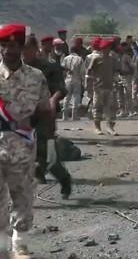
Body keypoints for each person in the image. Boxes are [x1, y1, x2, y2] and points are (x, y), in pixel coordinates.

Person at [0, 25, 51, 258]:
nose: (8, 51)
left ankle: (19, 243)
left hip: (23, 146)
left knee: (22, 194)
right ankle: (1, 243)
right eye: (4, 46)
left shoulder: (35, 77)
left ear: (21, 47)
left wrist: (46, 146)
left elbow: (44, 111)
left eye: (13, 46)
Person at [23, 35, 72, 200]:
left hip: (44, 114)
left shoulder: (49, 66)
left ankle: (63, 178)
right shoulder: (14, 68)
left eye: (26, 49)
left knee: (46, 152)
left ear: (34, 49)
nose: (23, 53)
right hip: (21, 115)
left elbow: (61, 89)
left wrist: (52, 99)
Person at [87, 39, 118, 135]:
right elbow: (89, 71)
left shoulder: (112, 60)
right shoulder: (96, 59)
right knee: (97, 108)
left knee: (110, 108)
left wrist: (115, 81)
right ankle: (97, 128)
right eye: (104, 48)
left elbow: (116, 71)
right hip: (98, 87)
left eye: (108, 48)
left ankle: (110, 128)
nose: (106, 50)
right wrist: (89, 85)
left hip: (109, 86)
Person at [61, 43, 85, 120]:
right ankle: (74, 116)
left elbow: (63, 68)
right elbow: (82, 71)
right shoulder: (79, 59)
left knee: (67, 97)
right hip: (77, 79)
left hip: (68, 79)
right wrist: (83, 81)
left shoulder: (66, 58)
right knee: (76, 96)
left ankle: (65, 116)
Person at [84, 37, 102, 114]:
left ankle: (91, 110)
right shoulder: (101, 56)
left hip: (89, 78)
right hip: (98, 78)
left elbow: (86, 68)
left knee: (91, 95)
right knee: (97, 95)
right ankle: (95, 111)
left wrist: (85, 79)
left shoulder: (88, 56)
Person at [119, 42, 136, 117]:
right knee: (120, 95)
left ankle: (130, 111)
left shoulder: (126, 57)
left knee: (128, 94)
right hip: (120, 76)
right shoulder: (118, 56)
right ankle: (122, 111)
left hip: (127, 77)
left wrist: (132, 74)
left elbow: (133, 66)